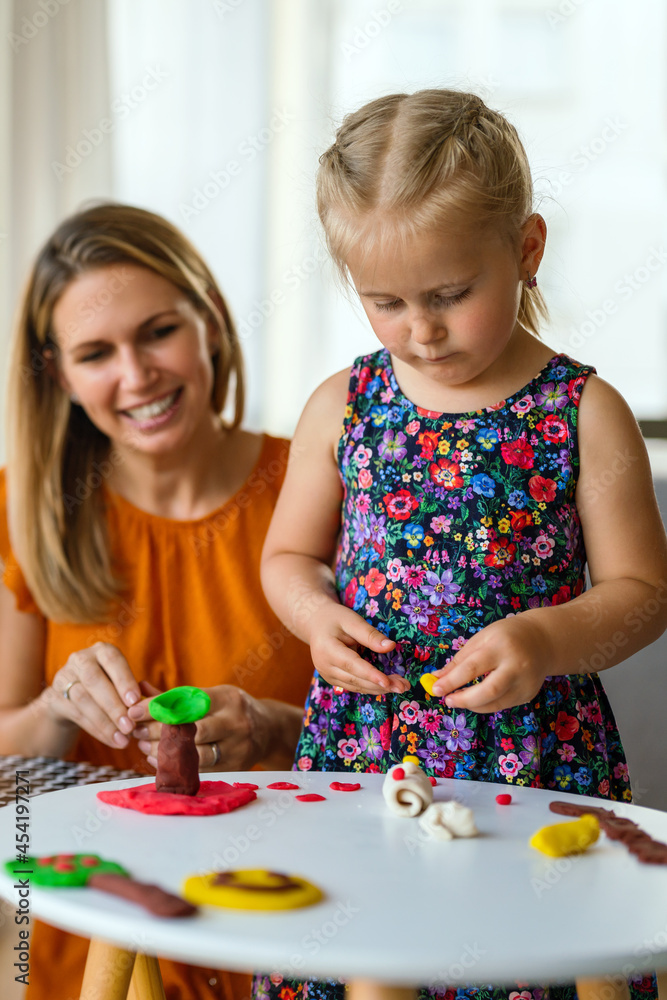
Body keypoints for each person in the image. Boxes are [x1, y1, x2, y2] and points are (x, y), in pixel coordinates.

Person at [258, 90, 667, 1000]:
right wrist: (316, 621)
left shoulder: (582, 413)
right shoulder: (343, 404)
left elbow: (643, 591)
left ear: (525, 249)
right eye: (385, 302)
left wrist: (543, 641)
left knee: (529, 963)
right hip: (364, 748)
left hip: (535, 750)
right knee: (365, 959)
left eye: (449, 295)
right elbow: (285, 559)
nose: (421, 330)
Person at [0, 203, 315, 1000]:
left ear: (208, 319)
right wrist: (57, 709)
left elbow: (412, 742)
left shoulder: (320, 494)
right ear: (56, 373)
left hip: (288, 923)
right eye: (95, 352)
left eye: (157, 331)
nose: (136, 377)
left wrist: (275, 728)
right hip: (94, 947)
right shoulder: (20, 517)